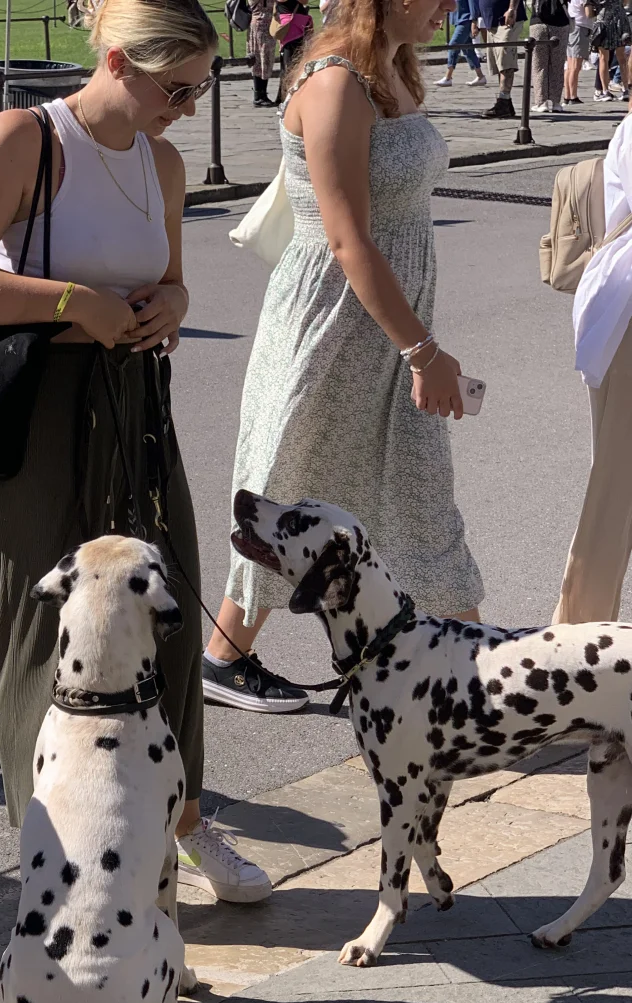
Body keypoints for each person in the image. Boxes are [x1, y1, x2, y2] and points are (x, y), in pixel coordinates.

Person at [0, 0, 275, 902]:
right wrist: (76, 301)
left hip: (134, 402)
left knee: (165, 605)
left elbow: (173, 282)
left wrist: (174, 305)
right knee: (45, 620)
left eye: (203, 87)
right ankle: (53, 854)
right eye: (177, 87)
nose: (189, 106)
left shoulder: (162, 161)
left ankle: (180, 824)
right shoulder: (23, 139)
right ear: (118, 61)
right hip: (41, 406)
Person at [204, 0, 484, 711]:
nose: (451, 7)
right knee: (300, 477)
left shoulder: (396, 68)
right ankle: (479, 686)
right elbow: (346, 239)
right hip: (335, 320)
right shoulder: (335, 82)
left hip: (386, 319)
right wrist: (423, 351)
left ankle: (469, 679)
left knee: (409, 484)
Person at [552, 105, 632, 623]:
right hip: (625, 314)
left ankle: (578, 631)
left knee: (617, 484)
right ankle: (576, 634)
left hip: (616, 315)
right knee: (616, 488)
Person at [479, 0, 527, 117]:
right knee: (499, 63)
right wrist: (476, 18)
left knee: (506, 61)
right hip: (491, 20)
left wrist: (512, 8)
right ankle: (506, 102)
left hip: (507, 19)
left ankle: (503, 102)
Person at [530, 0, 570, 112]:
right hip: (560, 22)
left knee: (539, 65)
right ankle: (556, 102)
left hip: (538, 22)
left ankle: (541, 102)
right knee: (557, 64)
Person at [272, 0, 314, 104]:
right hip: (289, 26)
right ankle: (286, 96)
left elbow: (304, 1)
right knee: (289, 64)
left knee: (296, 62)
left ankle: (289, 95)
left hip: (299, 25)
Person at [435, 0, 487, 83]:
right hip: (458, 20)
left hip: (466, 21)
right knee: (467, 49)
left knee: (453, 45)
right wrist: (443, 17)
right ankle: (480, 76)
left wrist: (474, 23)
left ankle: (448, 77)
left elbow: (473, 4)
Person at [592, 0, 630, 97]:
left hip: (604, 19)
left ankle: (605, 91)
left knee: (604, 58)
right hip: (619, 19)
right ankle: (625, 89)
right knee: (621, 58)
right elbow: (626, 2)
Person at [247, 0, 278, 106]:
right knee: (260, 59)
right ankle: (258, 95)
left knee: (266, 59)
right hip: (260, 25)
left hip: (269, 25)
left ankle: (262, 93)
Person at [564, 0, 591, 100]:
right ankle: (573, 96)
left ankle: (567, 95)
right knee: (575, 66)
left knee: (570, 65)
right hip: (580, 28)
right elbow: (588, 13)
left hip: (572, 26)